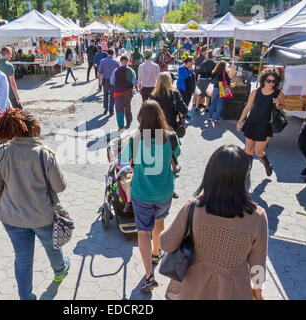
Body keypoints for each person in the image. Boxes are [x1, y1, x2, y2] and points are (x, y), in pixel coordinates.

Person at [161, 145, 268, 300]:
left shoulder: (193, 207)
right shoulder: (257, 216)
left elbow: (166, 244)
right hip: (234, 291)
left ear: (209, 174)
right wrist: (258, 292)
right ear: (244, 177)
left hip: (193, 289)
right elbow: (258, 265)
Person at [0, 109, 70, 300]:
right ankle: (60, 271)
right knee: (52, 247)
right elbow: (60, 186)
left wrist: (1, 207)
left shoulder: (1, 154)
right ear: (33, 129)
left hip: (12, 218)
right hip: (43, 217)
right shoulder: (44, 154)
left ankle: (25, 296)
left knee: (22, 258)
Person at [120, 100, 181, 293]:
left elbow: (125, 161)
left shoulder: (135, 139)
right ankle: (156, 253)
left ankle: (149, 276)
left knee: (143, 232)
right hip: (164, 191)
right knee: (160, 222)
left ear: (141, 118)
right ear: (160, 116)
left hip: (142, 193)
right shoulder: (171, 137)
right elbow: (177, 154)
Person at [237, 68, 285, 177]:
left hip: (266, 125)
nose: (271, 83)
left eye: (273, 81)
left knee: (258, 151)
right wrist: (240, 121)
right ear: (263, 80)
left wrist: (277, 104)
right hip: (252, 122)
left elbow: (282, 107)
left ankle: (267, 164)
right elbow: (248, 107)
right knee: (248, 149)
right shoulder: (255, 92)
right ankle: (247, 171)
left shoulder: (279, 93)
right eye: (268, 81)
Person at [111, 55, 137, 130]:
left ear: (120, 62)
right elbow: (134, 82)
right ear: (128, 62)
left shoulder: (116, 70)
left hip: (118, 93)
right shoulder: (131, 71)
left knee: (119, 109)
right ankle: (128, 122)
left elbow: (112, 82)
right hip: (128, 92)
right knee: (127, 107)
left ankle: (120, 125)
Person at [98, 49, 120, 116]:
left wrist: (99, 82)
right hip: (113, 80)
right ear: (113, 54)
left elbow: (99, 73)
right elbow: (119, 73)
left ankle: (105, 108)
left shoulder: (102, 61)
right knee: (112, 95)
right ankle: (111, 110)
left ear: (107, 54)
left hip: (105, 80)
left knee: (105, 94)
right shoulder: (116, 62)